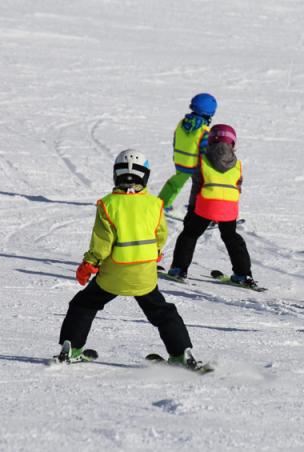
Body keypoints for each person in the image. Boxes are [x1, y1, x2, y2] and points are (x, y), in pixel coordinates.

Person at [56, 149, 202, 368]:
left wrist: (89, 264)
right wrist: (154, 253)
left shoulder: (108, 204)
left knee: (83, 305)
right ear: (145, 176)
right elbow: (160, 235)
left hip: (113, 275)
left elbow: (102, 243)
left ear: (116, 175)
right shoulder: (155, 204)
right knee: (163, 312)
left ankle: (72, 347)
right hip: (144, 275)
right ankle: (182, 353)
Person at [166, 124, 257, 289]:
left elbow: (197, 186)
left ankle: (179, 269)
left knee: (190, 234)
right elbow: (238, 187)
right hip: (229, 208)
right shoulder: (237, 164)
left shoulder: (202, 160)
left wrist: (191, 210)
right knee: (232, 238)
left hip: (205, 205)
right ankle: (244, 274)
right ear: (233, 144)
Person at [157, 93, 217, 214]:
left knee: (175, 184)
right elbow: (204, 150)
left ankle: (162, 203)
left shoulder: (181, 123)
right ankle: (197, 207)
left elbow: (175, 140)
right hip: (195, 165)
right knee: (200, 186)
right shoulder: (204, 131)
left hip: (180, 161)